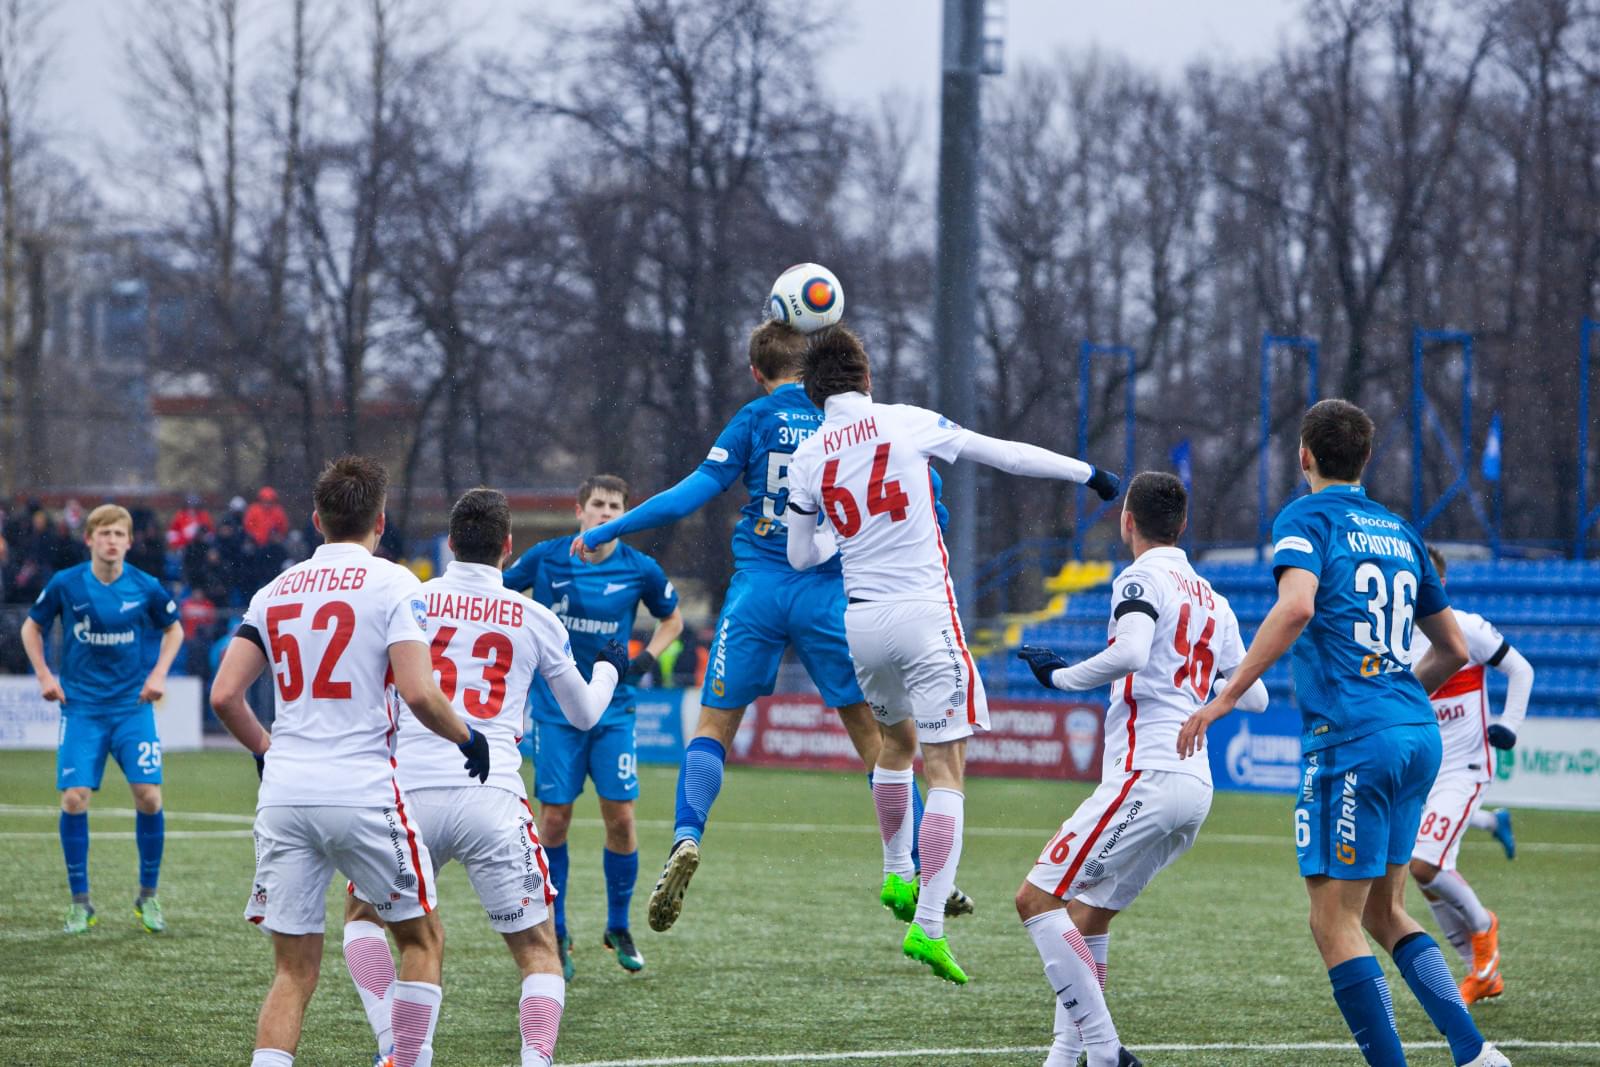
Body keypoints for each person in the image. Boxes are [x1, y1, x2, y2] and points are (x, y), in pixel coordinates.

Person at [572, 320, 968, 937]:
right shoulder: (850, 424)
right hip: (829, 596)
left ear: (756, 373)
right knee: (882, 740)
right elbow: (928, 492)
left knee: (713, 728)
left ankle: (686, 836)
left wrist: (609, 528)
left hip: (759, 591)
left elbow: (688, 495)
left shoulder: (755, 419)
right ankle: (918, 863)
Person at [1176, 399, 1509, 1067]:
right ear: (1367, 458)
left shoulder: (1306, 517)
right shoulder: (1401, 530)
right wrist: (1396, 698)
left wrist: (1226, 696)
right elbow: (1452, 647)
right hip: (1416, 730)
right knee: (1386, 912)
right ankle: (1475, 1053)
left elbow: (1297, 605)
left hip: (1353, 736)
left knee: (1333, 920)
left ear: (1304, 455)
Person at [785, 325, 1120, 984]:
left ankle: (895, 872)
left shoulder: (808, 454)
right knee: (946, 768)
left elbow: (800, 555)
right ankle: (930, 924)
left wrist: (840, 541)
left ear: (813, 394)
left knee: (895, 744)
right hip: (923, 615)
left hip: (862, 622)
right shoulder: (904, 422)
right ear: (867, 378)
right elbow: (1007, 456)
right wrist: (1089, 474)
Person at [208, 455, 492, 1067]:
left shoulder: (274, 590)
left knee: (292, 972)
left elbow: (225, 695)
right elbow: (419, 693)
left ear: (317, 520)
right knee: (421, 938)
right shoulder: (394, 584)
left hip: (285, 795)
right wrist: (468, 737)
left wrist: (265, 749)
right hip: (362, 789)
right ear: (380, 522)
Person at [339, 488, 628, 1067]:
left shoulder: (410, 600)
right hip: (491, 795)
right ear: (507, 546)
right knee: (538, 951)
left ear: (450, 543)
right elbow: (583, 715)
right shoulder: (535, 617)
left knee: (362, 919)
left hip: (407, 792)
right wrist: (609, 670)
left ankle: (396, 1044)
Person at [1012, 472, 1268, 1067]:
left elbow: (1130, 652)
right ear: (1183, 525)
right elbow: (1253, 697)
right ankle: (1065, 1055)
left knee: (1036, 899)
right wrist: (1198, 689)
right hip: (1195, 787)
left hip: (1147, 773)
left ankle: (1105, 1053)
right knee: (1088, 913)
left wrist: (1059, 677)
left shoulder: (1140, 577)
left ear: (1127, 521)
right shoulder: (1215, 600)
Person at [505, 474, 683, 977]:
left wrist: (645, 660)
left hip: (614, 709)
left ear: (625, 515)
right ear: (579, 511)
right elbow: (499, 594)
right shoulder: (546, 558)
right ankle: (556, 931)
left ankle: (618, 925)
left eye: (615, 507)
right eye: (598, 504)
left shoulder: (640, 568)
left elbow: (672, 621)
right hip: (556, 712)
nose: (606, 513)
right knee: (555, 820)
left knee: (621, 817)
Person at [20, 503, 184, 934]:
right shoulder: (66, 583)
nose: (112, 541)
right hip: (83, 710)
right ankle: (81, 904)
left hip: (132, 708)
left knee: (149, 797)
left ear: (129, 542)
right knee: (74, 798)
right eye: (104, 533)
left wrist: (159, 674)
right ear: (89, 539)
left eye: (119, 534)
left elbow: (175, 629)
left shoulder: (145, 586)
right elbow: (31, 627)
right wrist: (44, 675)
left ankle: (148, 897)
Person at [1408, 546, 1533, 1005]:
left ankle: (1484, 927)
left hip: (1466, 768)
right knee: (1427, 876)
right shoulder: (1395, 640)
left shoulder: (1466, 628)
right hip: (1424, 773)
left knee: (1423, 864)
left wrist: (1509, 724)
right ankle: (1482, 973)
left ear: (1435, 586)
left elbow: (1520, 669)